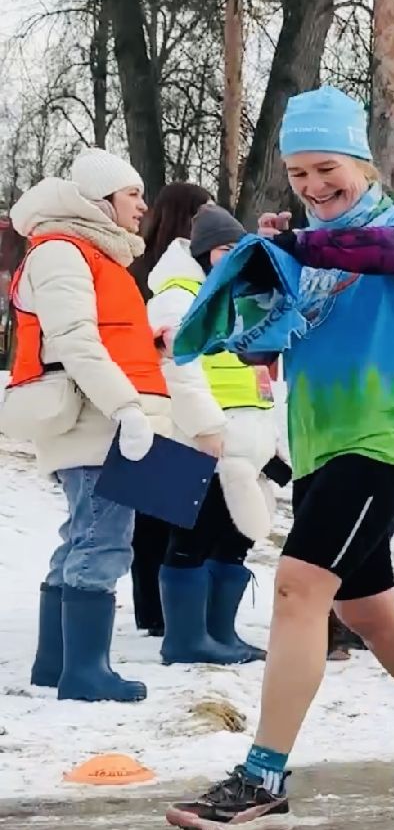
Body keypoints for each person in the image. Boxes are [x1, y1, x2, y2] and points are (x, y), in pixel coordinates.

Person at [164, 86, 394, 830]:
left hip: (384, 434)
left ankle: (263, 777)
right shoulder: (303, 253)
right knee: (363, 607)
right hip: (317, 440)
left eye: (327, 169)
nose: (315, 187)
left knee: (299, 587)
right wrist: (251, 294)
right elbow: (264, 346)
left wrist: (294, 245)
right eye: (299, 174)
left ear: (362, 161)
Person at [1, 149, 172, 702]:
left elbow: (105, 337)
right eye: (132, 195)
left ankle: (57, 664)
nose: (143, 206)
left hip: (103, 417)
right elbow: (73, 341)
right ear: (100, 201)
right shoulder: (62, 252)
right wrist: (127, 407)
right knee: (102, 539)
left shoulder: (92, 256)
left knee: (83, 534)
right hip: (94, 420)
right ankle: (84, 672)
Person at [144, 200, 285, 666]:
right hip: (195, 437)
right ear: (206, 250)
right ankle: (186, 638)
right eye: (226, 249)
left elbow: (256, 369)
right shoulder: (178, 293)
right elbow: (178, 368)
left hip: (238, 438)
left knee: (233, 534)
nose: (234, 258)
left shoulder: (229, 295)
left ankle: (219, 632)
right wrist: (206, 427)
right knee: (193, 536)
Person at [127, 183, 213, 638]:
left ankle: (149, 609)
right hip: (166, 396)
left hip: (144, 397)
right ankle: (160, 612)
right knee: (172, 515)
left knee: (152, 516)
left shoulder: (140, 268)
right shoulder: (179, 280)